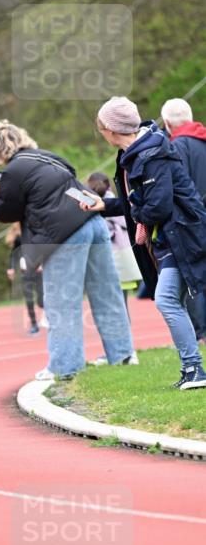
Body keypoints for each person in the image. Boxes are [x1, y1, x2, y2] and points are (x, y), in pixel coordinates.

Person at [0, 120, 135, 381]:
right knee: (107, 292)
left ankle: (65, 366)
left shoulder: (13, 171)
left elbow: (6, 213)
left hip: (66, 234)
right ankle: (123, 354)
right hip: (93, 221)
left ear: (0, 151)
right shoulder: (49, 156)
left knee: (62, 302)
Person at [92, 97, 206, 389]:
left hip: (183, 237)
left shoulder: (151, 154)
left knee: (167, 300)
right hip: (169, 240)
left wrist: (135, 206)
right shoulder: (133, 153)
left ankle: (194, 369)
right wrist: (104, 205)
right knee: (171, 300)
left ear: (110, 128)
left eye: (101, 126)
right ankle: (192, 369)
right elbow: (141, 204)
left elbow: (157, 207)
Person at [161, 98, 206, 341]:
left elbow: (179, 186)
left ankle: (200, 334)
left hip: (192, 221)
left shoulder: (177, 146)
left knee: (194, 278)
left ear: (167, 123)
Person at [86, 172, 141, 317]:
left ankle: (123, 337)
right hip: (121, 258)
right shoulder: (117, 203)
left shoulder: (105, 206)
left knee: (115, 305)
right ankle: (124, 336)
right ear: (109, 186)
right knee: (120, 304)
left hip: (112, 257)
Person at [5, 222, 44, 334]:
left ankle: (48, 317)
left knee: (41, 300)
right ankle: (34, 324)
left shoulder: (37, 233)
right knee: (29, 299)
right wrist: (11, 268)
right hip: (25, 272)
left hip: (38, 271)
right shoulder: (18, 238)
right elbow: (14, 254)